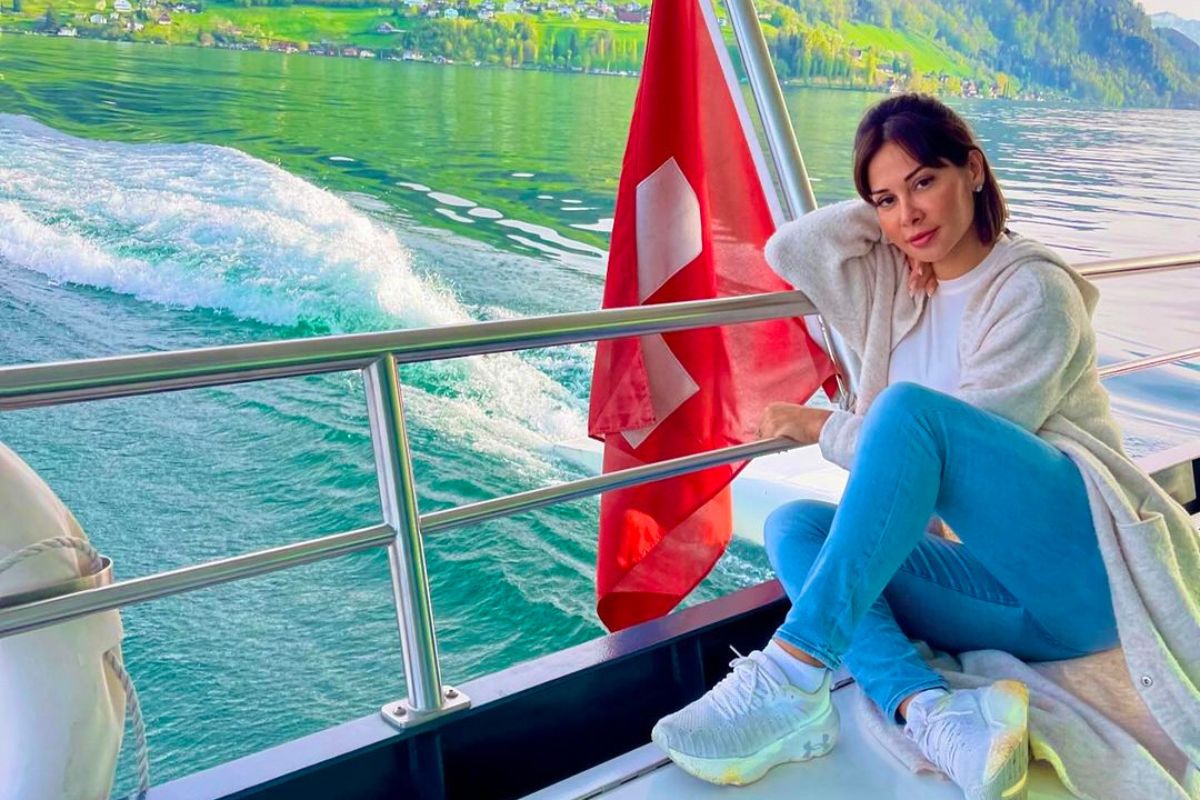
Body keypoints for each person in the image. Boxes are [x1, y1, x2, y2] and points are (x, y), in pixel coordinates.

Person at [649, 93, 1200, 799]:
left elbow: (945, 443)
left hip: (1084, 577)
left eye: (924, 182)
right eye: (885, 199)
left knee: (909, 412)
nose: (908, 213)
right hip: (1004, 598)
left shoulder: (1033, 291)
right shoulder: (901, 289)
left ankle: (792, 668)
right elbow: (793, 249)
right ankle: (928, 711)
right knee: (795, 526)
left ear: (974, 169)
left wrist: (820, 428)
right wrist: (896, 225)